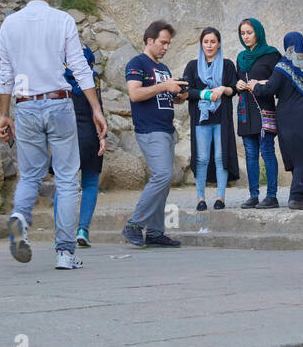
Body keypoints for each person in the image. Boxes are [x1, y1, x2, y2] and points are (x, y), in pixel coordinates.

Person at [0, 0, 106, 270]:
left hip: (25, 104)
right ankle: (65, 252)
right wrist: (96, 109)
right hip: (58, 102)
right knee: (69, 179)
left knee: (30, 174)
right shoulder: (63, 20)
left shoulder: (10, 25)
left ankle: (20, 216)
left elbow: (6, 74)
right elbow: (79, 68)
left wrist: (4, 115)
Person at [241, 31, 303, 210]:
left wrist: (255, 86)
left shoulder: (282, 67)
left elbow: (270, 88)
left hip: (288, 117)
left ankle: (296, 197)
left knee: (299, 157)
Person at [121, 21, 185, 248]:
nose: (166, 47)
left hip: (166, 129)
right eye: (163, 42)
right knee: (163, 175)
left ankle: (156, 232)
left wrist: (177, 96)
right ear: (150, 40)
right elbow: (135, 94)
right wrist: (164, 87)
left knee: (164, 181)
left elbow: (162, 96)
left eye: (168, 43)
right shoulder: (136, 63)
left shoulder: (164, 69)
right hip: (150, 130)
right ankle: (134, 224)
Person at [183, 27, 240, 211]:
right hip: (201, 118)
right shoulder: (192, 66)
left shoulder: (228, 64)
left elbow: (234, 89)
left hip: (222, 118)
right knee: (202, 158)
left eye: (213, 42)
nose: (209, 45)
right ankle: (200, 198)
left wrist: (223, 89)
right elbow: (187, 91)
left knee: (220, 157)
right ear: (201, 43)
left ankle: (220, 197)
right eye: (206, 41)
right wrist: (205, 94)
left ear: (219, 44)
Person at [234, 18, 282, 208]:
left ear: (258, 33)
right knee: (250, 154)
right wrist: (237, 85)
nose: (246, 37)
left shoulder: (272, 55)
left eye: (249, 32)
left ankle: (272, 196)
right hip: (245, 112)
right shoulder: (241, 58)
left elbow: (279, 83)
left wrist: (263, 83)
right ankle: (253, 195)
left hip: (264, 110)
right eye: (243, 33)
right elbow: (238, 81)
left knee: (267, 152)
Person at [59, 46, 104, 248]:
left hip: (66, 135)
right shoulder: (92, 78)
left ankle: (62, 232)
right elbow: (99, 109)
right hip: (90, 135)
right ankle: (82, 230)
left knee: (64, 184)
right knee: (90, 184)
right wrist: (103, 136)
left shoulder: (59, 77)